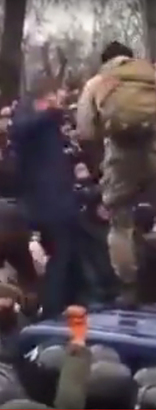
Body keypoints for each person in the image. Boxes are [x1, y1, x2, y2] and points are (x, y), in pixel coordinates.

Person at [76, 41, 156, 308]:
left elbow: (85, 130)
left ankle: (128, 287)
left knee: (120, 220)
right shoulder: (150, 74)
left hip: (119, 153)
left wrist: (99, 157)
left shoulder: (98, 82)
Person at [9, 77, 82, 318]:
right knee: (59, 257)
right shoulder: (32, 118)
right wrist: (49, 112)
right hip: (47, 204)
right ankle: (50, 310)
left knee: (64, 257)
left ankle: (61, 305)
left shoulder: (48, 123)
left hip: (55, 201)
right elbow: (22, 131)